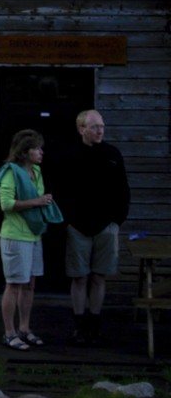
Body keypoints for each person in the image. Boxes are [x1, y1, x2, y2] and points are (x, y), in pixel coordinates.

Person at [54, 110, 130, 345]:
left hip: (106, 226)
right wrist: (67, 222)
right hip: (77, 226)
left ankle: (95, 323)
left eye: (102, 127)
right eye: (94, 126)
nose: (99, 131)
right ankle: (79, 324)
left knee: (99, 276)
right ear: (81, 129)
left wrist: (116, 221)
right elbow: (58, 191)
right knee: (79, 277)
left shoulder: (112, 155)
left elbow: (123, 190)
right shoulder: (69, 155)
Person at [0, 129, 62, 351]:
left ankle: (24, 328)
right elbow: (6, 204)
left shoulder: (37, 172)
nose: (41, 152)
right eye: (37, 148)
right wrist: (36, 202)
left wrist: (42, 203)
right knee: (13, 284)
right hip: (14, 236)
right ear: (24, 152)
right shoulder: (11, 172)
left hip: (33, 235)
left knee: (30, 283)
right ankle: (9, 333)